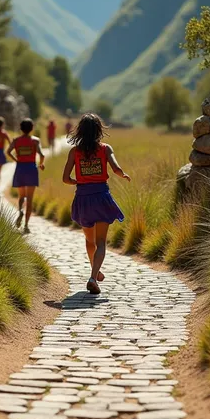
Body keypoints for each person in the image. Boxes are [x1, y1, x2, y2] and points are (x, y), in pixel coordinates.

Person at [62, 113, 130, 294]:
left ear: (81, 131)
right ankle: (93, 276)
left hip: (83, 198)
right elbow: (115, 168)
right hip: (101, 196)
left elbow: (65, 178)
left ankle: (95, 271)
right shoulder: (105, 149)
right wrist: (123, 175)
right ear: (99, 130)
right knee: (101, 242)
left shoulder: (74, 152)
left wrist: (80, 182)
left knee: (89, 240)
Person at [8, 118, 45, 233]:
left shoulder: (16, 140)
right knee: (29, 199)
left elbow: (8, 151)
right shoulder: (35, 141)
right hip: (31, 169)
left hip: (20, 168)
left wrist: (16, 160)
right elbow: (42, 155)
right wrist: (41, 164)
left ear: (21, 128)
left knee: (21, 196)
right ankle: (26, 225)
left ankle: (20, 210)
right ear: (32, 128)